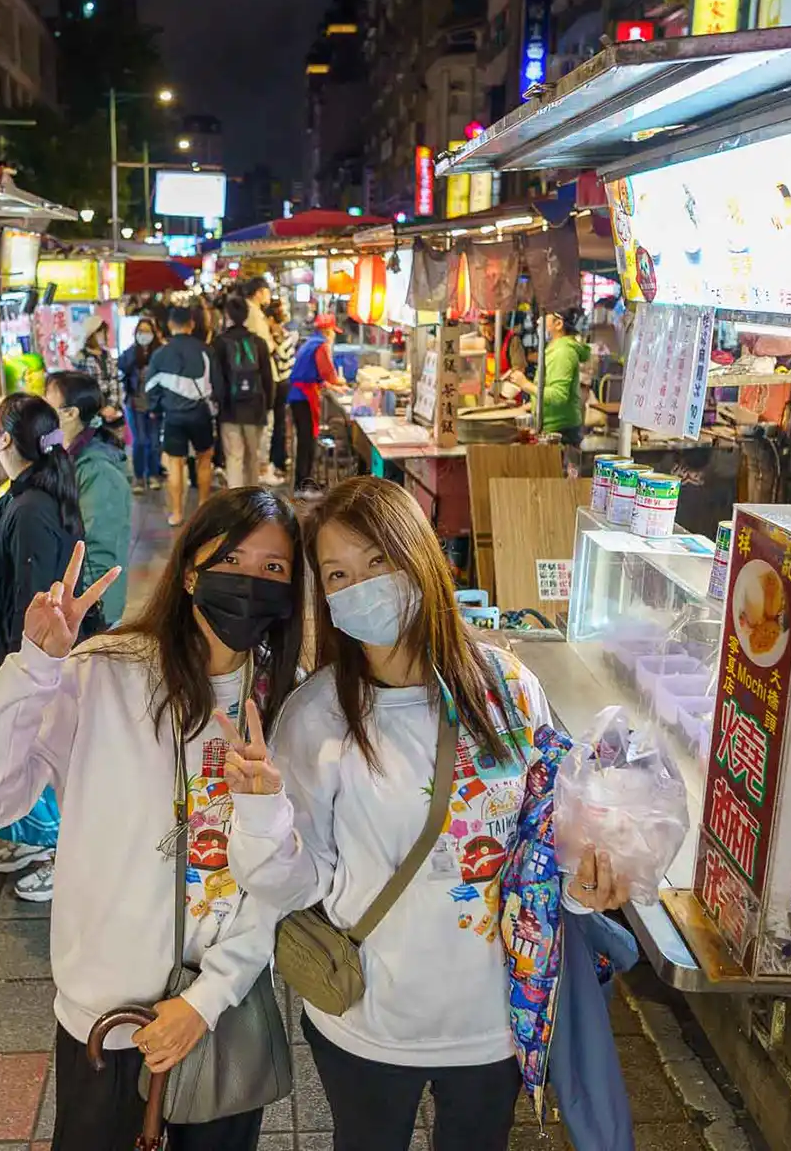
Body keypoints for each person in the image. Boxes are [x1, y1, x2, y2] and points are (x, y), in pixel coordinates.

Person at [224, 476, 629, 1151]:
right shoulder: (316, 718)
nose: (363, 585)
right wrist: (262, 811)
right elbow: (294, 887)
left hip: (494, 1022)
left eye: (378, 560)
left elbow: (542, 848)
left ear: (420, 555)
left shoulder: (511, 691)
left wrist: (587, 890)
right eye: (338, 573)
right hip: (368, 1020)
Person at [0, 487, 307, 1151]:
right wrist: (35, 668)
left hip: (217, 1017)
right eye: (233, 559)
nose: (251, 583)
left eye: (274, 570)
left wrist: (209, 997)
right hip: (106, 1023)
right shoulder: (99, 675)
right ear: (191, 571)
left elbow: (285, 879)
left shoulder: (288, 703)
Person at [0, 393, 100, 902]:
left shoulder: (32, 510)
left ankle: (60, 854)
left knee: (29, 756)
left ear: (3, 439)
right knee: (17, 756)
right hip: (10, 656)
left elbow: (33, 600)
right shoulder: (29, 495)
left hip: (21, 660)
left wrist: (21, 674)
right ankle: (34, 843)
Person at [47, 371, 133, 628]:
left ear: (71, 413)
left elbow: (99, 548)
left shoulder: (97, 470)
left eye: (47, 404)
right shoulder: (72, 456)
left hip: (94, 608)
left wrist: (91, 610)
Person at [147, 305, 217, 527]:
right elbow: (218, 385)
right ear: (192, 324)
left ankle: (176, 513)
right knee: (204, 459)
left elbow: (150, 388)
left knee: (175, 464)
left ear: (170, 325)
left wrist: (156, 408)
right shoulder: (206, 351)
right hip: (200, 414)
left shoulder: (160, 354)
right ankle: (203, 508)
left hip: (173, 416)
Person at [210, 297, 276, 489]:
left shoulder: (220, 343)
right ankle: (253, 499)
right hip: (255, 409)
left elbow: (217, 379)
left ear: (227, 315)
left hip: (230, 410)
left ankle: (236, 498)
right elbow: (267, 378)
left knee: (234, 457)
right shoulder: (259, 343)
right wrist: (268, 406)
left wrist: (220, 406)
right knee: (252, 457)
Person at [286, 313, 343, 491]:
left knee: (306, 441)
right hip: (303, 397)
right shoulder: (321, 345)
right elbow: (327, 372)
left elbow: (315, 374)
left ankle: (304, 481)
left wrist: (330, 385)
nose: (334, 335)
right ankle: (303, 485)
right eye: (333, 331)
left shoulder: (311, 342)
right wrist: (338, 383)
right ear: (327, 331)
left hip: (298, 396)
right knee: (307, 441)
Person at [122, 314, 166, 494]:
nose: (144, 335)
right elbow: (122, 370)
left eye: (148, 332)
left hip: (155, 405)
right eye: (141, 331)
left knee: (154, 442)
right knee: (140, 441)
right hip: (136, 404)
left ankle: (154, 474)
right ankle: (139, 477)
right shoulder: (130, 353)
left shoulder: (161, 354)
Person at [540, 306, 592, 448]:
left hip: (561, 430)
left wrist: (525, 384)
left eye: (545, 317)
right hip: (555, 423)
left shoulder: (563, 352)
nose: (540, 321)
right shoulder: (555, 347)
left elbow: (558, 395)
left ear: (558, 324)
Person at [261, 299, 297, 487]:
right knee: (279, 424)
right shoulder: (287, 335)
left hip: (279, 384)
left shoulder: (276, 338)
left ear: (270, 319)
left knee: (276, 425)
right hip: (284, 383)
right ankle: (279, 461)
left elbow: (281, 360)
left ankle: (276, 462)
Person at [75, 316, 126, 425]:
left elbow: (114, 380)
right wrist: (101, 410)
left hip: (112, 411)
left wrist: (112, 406)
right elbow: (84, 388)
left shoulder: (106, 355)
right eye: (101, 332)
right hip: (93, 412)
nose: (105, 336)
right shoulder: (81, 357)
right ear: (92, 335)